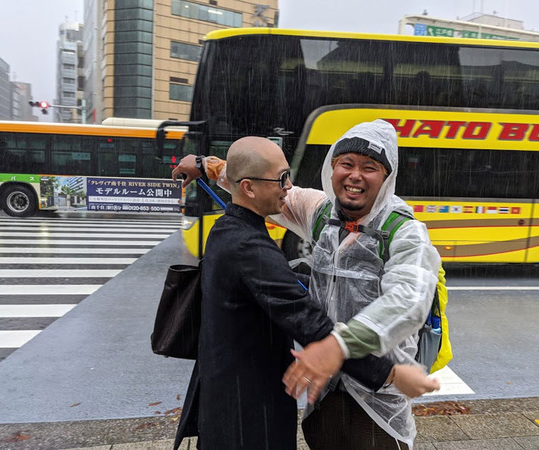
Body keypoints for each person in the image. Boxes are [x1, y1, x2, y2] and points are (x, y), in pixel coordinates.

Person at [174, 120, 441, 449]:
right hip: (323, 393)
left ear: (387, 177)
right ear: (333, 168)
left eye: (370, 167)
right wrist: (206, 165)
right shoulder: (323, 213)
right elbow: (254, 179)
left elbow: (408, 300)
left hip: (378, 402)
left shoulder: (405, 233)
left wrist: (340, 347)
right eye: (346, 163)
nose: (355, 175)